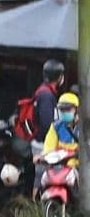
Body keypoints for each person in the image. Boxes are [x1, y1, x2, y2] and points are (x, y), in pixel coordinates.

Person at [31, 60, 65, 196]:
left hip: (41, 142)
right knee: (42, 176)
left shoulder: (43, 91)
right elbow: (46, 124)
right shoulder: (46, 95)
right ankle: (37, 207)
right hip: (43, 144)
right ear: (59, 77)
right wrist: (54, 143)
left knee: (42, 176)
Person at [40, 92, 79, 164]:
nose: (64, 112)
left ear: (77, 109)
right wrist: (43, 157)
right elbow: (48, 148)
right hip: (62, 167)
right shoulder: (56, 127)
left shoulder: (86, 127)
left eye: (68, 109)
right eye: (62, 109)